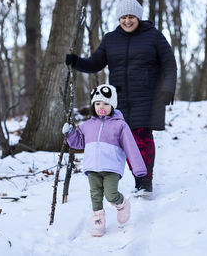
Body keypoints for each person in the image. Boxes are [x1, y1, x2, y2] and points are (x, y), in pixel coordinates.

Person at [65, 0, 177, 197]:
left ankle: (146, 181)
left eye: (131, 16)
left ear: (138, 17)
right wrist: (75, 62)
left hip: (147, 96)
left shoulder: (154, 36)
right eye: (123, 17)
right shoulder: (110, 39)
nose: (127, 21)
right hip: (120, 98)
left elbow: (169, 63)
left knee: (142, 137)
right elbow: (95, 63)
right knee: (126, 140)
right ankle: (138, 179)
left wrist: (168, 89)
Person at [62, 84, 147, 237]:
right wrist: (70, 133)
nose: (101, 106)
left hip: (111, 168)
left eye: (106, 103)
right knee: (95, 195)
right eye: (98, 103)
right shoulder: (87, 125)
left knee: (110, 194)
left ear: (112, 105)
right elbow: (78, 143)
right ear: (93, 105)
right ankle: (99, 222)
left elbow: (131, 146)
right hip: (92, 167)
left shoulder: (120, 125)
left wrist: (138, 168)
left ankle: (122, 204)